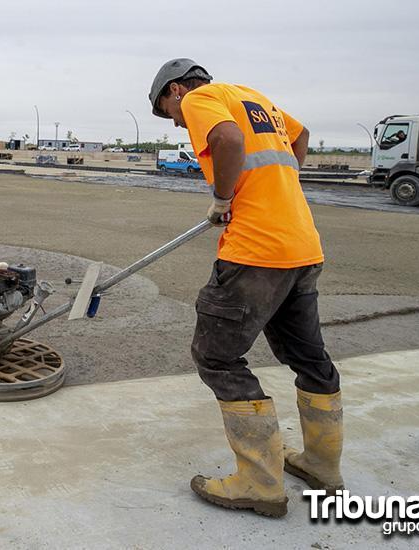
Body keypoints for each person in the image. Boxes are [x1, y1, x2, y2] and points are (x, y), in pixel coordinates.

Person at [148, 58, 344, 518]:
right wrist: (275, 187)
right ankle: (321, 465)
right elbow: (301, 135)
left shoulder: (200, 99)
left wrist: (224, 196)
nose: (178, 123)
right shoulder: (254, 99)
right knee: (308, 356)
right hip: (301, 245)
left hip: (256, 253)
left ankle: (259, 482)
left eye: (169, 112)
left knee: (216, 355)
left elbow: (228, 139)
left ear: (176, 90)